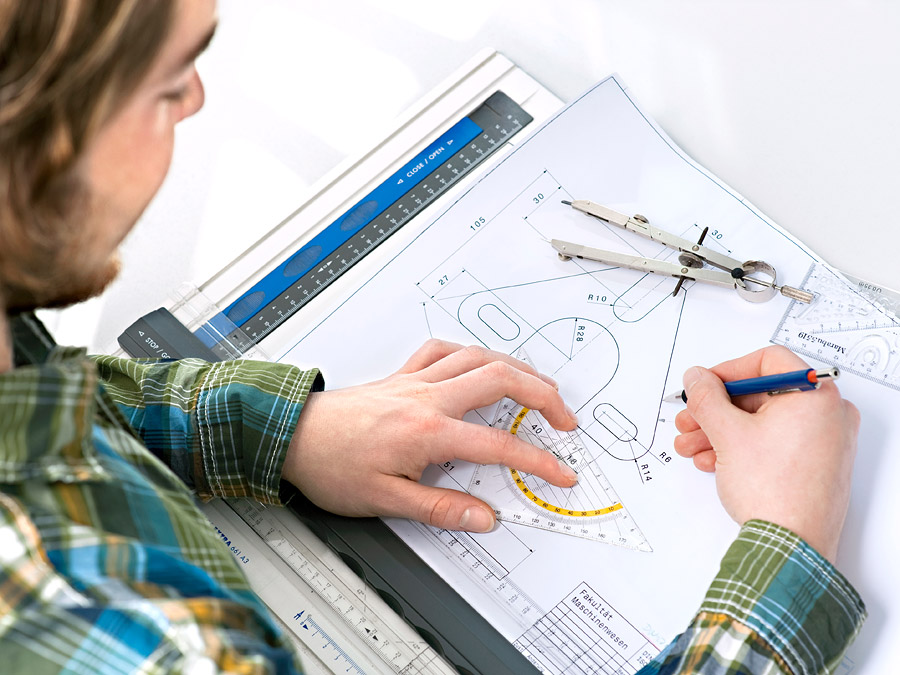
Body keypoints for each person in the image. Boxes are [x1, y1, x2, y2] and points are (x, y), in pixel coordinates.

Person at [0, 2, 864, 673]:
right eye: (164, 81)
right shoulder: (132, 633)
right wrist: (788, 551)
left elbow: (47, 398)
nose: (198, 99)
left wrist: (278, 429)